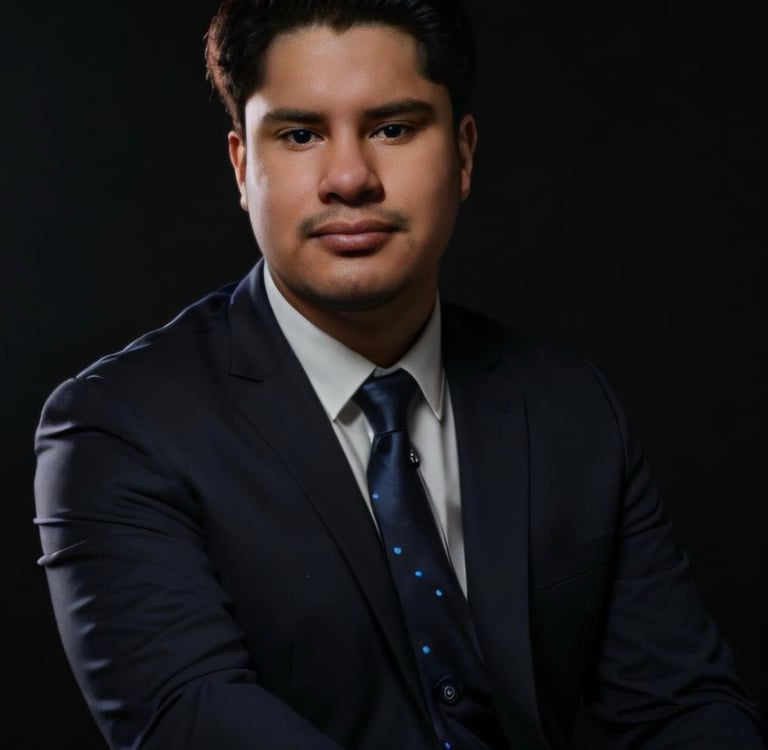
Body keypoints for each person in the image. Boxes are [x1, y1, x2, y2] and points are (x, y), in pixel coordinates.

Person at [33, 1, 766, 749]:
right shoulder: (118, 429)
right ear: (242, 167)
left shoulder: (569, 406)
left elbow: (684, 706)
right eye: (299, 134)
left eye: (393, 128)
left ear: (465, 154)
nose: (349, 178)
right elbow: (192, 718)